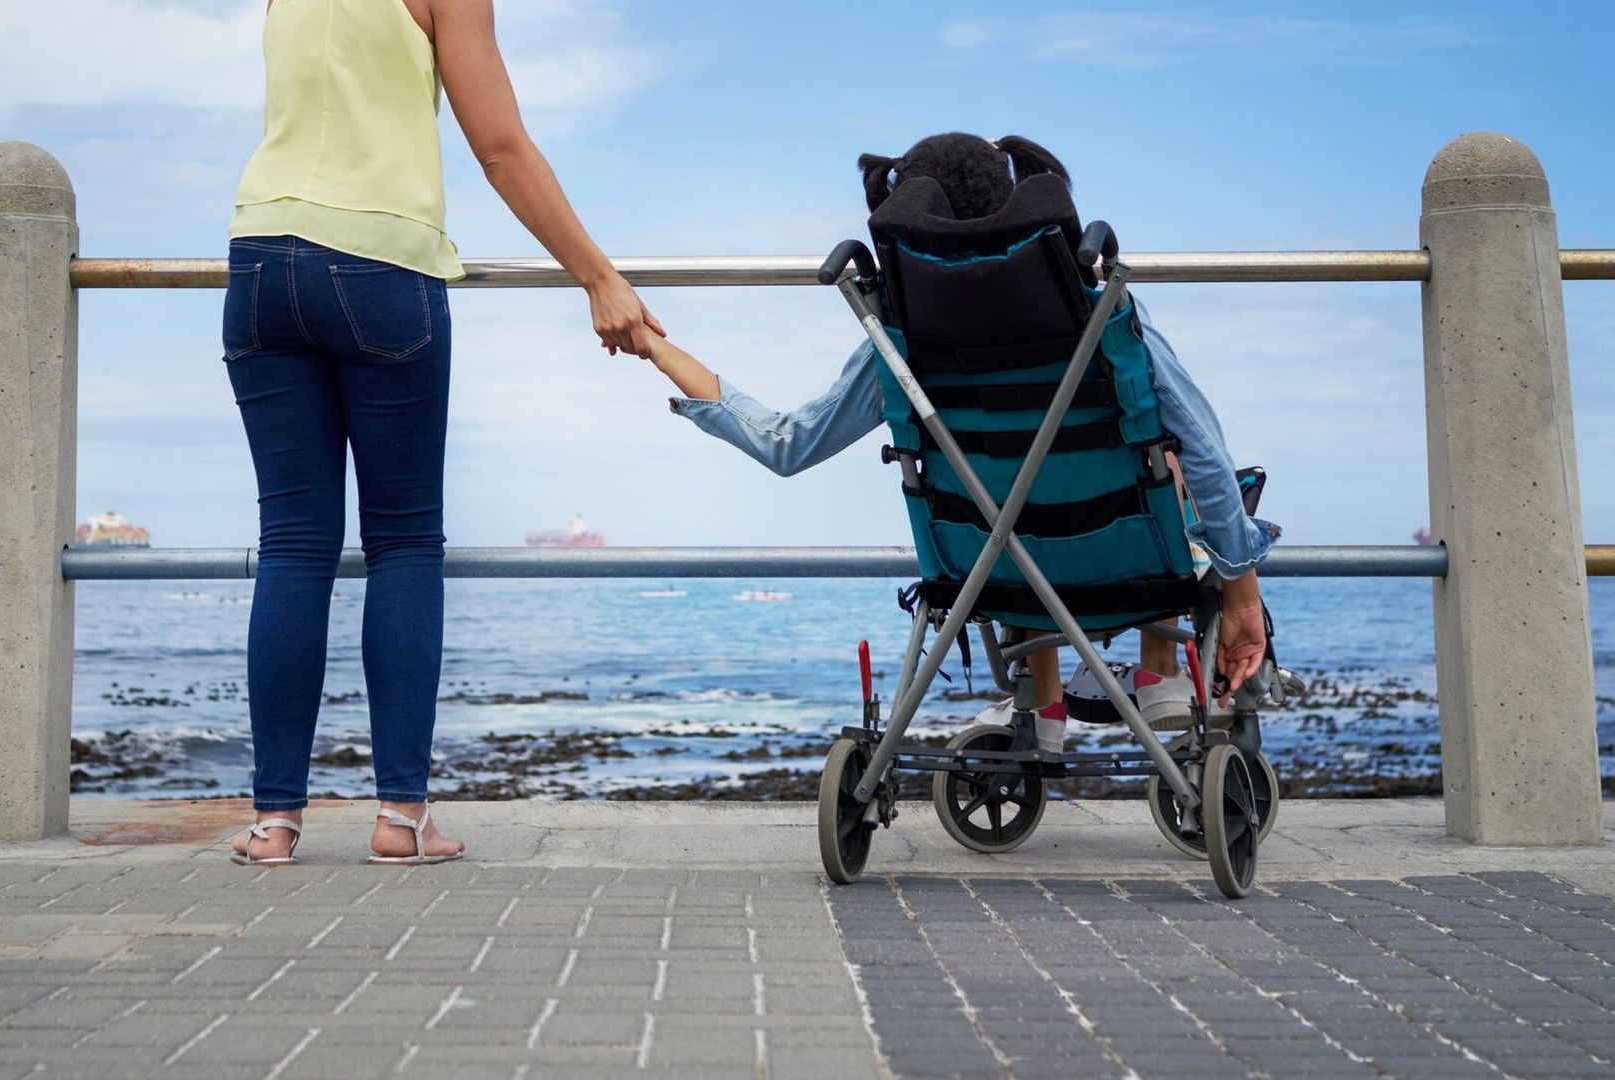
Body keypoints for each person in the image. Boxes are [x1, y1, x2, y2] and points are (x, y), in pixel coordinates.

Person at [645, 133, 1278, 753]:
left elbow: (788, 444)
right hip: (1130, 560)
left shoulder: (898, 345)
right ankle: (1159, 673)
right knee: (1159, 461)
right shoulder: (1105, 320)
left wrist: (658, 349)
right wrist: (1242, 595)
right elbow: (1207, 455)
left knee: (1002, 493)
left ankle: (1044, 703)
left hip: (991, 570)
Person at [224, 0, 664, 866]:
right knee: (404, 542)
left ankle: (276, 822)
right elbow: (498, 146)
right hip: (380, 263)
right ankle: (401, 818)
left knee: (293, 545)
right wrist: (598, 276)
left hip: (259, 262)